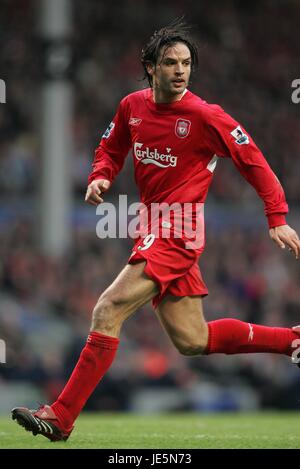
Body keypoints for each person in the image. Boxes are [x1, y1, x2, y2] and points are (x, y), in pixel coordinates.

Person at [12, 20, 300, 442]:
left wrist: (276, 215)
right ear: (151, 67)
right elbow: (111, 146)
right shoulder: (132, 106)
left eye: (186, 63)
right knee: (193, 339)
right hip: (151, 226)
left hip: (179, 230)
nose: (180, 70)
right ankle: (293, 340)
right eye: (170, 62)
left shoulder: (206, 116)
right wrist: (101, 175)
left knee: (107, 309)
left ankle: (61, 416)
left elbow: (252, 159)